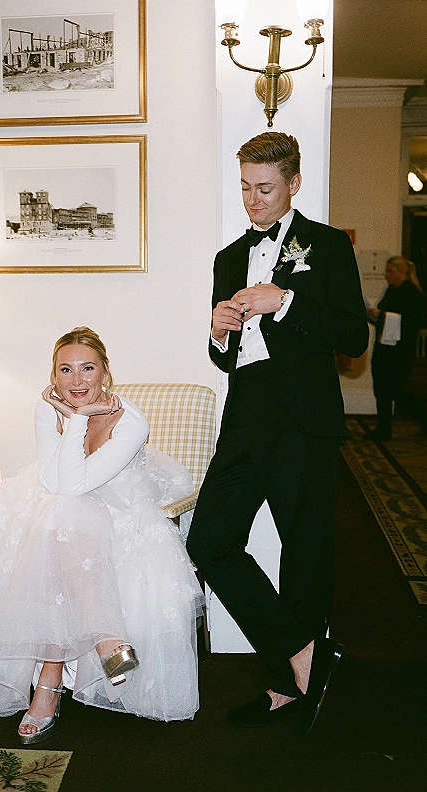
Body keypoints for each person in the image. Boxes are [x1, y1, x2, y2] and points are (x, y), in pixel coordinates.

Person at [0, 327, 204, 740]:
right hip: (61, 502)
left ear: (105, 372)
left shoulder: (131, 419)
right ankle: (107, 639)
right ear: (54, 376)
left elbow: (79, 485)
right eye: (65, 370)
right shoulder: (48, 407)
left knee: (61, 518)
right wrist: (76, 420)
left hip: (117, 507)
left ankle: (47, 689)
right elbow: (56, 480)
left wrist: (77, 420)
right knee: (59, 515)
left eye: (87, 368)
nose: (77, 380)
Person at [186, 132, 369, 732]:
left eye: (264, 188)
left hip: (305, 421)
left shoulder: (327, 246)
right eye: (244, 187)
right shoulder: (227, 258)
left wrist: (284, 301)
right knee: (209, 541)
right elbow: (228, 357)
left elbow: (352, 338)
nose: (252, 199)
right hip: (245, 418)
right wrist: (219, 330)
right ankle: (306, 658)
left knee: (306, 554)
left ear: (293, 183)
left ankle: (288, 688)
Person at [367, 255, 427, 440]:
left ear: (401, 272)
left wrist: (383, 314)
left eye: (389, 271)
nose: (386, 275)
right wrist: (374, 314)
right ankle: (383, 428)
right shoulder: (392, 290)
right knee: (382, 389)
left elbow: (410, 320)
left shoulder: (412, 293)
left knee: (398, 390)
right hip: (385, 347)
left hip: (399, 351)